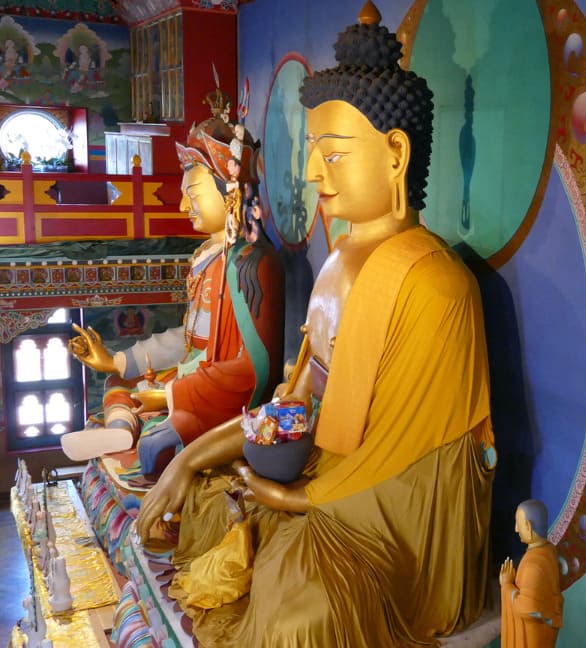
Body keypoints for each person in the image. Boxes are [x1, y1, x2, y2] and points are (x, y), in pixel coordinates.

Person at [135, 5, 495, 646]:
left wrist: (302, 499)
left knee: (299, 617)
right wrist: (190, 459)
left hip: (378, 519)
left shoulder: (438, 285)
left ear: (396, 154)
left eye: (333, 154)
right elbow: (293, 408)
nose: (310, 173)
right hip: (319, 474)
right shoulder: (338, 261)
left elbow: (422, 468)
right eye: (312, 152)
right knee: (207, 500)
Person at [63, 95, 285, 479]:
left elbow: (255, 371)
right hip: (191, 379)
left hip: (219, 399)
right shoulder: (206, 256)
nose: (183, 206)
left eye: (192, 194)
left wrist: (170, 396)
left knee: (156, 445)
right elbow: (186, 339)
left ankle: (134, 430)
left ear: (229, 192)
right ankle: (122, 429)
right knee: (117, 382)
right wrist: (116, 361)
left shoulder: (252, 263)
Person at [500, 500, 563, 648]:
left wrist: (506, 585)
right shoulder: (549, 550)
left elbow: (527, 608)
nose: (516, 529)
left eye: (518, 523)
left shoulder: (533, 565)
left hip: (532, 637)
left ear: (528, 526)